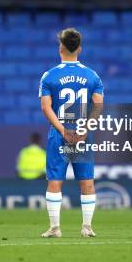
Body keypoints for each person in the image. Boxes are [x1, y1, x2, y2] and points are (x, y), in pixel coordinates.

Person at [39, 28, 104, 238]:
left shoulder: (49, 76)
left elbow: (45, 107)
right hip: (83, 134)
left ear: (61, 48)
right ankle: (87, 227)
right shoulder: (92, 75)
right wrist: (84, 128)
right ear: (80, 49)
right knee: (86, 181)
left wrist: (62, 130)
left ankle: (55, 228)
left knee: (55, 181)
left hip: (60, 134)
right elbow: (98, 106)